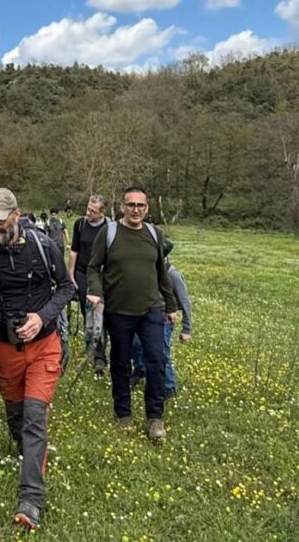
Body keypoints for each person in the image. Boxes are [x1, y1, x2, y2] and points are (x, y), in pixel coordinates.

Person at [0, 188, 75, 531]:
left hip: (45, 345)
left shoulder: (44, 246)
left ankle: (30, 500)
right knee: (16, 414)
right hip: (5, 348)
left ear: (16, 214)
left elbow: (67, 288)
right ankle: (24, 447)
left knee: (35, 416)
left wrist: (42, 317)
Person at [86, 185, 179, 441]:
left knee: (157, 361)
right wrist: (95, 291)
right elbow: (93, 267)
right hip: (118, 311)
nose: (135, 209)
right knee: (120, 363)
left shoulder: (154, 233)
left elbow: (162, 272)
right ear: (122, 207)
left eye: (140, 205)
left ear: (146, 208)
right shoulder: (109, 232)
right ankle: (123, 413)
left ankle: (155, 418)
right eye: (131, 205)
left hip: (151, 309)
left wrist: (171, 305)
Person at [131, 239, 192, 399]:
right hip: (143, 314)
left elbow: (185, 300)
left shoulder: (172, 274)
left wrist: (186, 328)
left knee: (161, 352)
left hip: (164, 317)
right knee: (135, 345)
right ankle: (140, 369)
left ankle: (168, 386)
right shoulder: (146, 270)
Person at [69, 195, 110, 376]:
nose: (88, 213)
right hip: (82, 273)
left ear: (102, 212)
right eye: (88, 209)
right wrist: (70, 275)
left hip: (102, 276)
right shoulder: (80, 224)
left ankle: (99, 357)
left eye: (93, 211)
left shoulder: (109, 227)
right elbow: (74, 251)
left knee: (100, 314)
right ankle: (90, 344)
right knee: (87, 312)